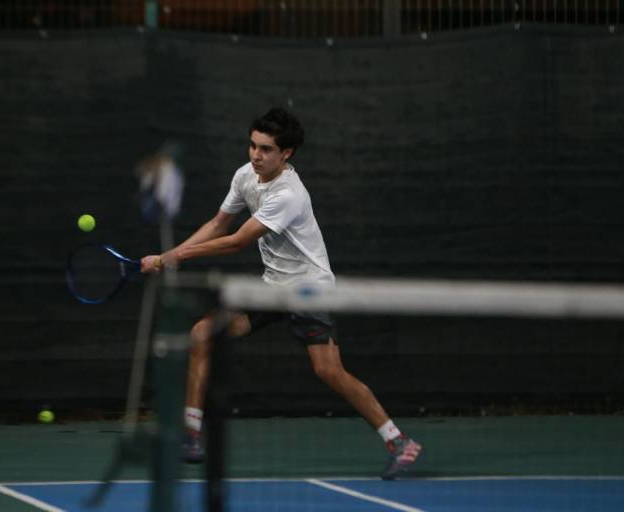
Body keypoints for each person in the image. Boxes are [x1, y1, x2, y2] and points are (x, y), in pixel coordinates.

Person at [140, 107, 421, 479]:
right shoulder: (246, 175)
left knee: (328, 370)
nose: (256, 155)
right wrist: (169, 257)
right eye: (253, 146)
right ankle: (192, 435)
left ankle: (399, 441)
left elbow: (237, 240)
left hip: (309, 289)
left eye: (266, 149)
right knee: (202, 334)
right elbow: (218, 222)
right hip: (274, 287)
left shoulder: (289, 194)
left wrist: (173, 256)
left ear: (286, 154)